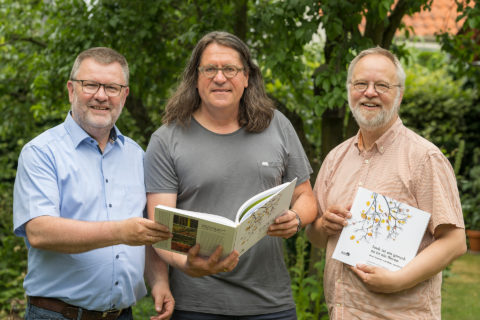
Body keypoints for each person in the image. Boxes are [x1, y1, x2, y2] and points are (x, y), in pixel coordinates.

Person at [144, 31, 317, 319]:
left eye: (230, 69)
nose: (220, 78)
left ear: (247, 76)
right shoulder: (166, 139)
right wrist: (187, 264)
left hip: (272, 303)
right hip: (197, 304)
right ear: (195, 77)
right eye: (210, 69)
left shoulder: (277, 126)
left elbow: (306, 197)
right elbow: (160, 227)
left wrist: (296, 219)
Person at [13, 47, 174, 320]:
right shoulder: (40, 152)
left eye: (112, 87)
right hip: (57, 315)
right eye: (90, 85)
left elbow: (147, 231)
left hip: (122, 315)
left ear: (124, 95)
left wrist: (159, 281)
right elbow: (40, 232)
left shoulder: (137, 156)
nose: (101, 95)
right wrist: (120, 231)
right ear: (71, 90)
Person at [306, 47, 467, 319]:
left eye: (382, 85)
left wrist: (398, 280)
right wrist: (324, 225)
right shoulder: (336, 158)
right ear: (349, 91)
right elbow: (316, 237)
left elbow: (455, 241)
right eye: (361, 84)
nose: (370, 92)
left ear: (399, 94)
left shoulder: (424, 158)